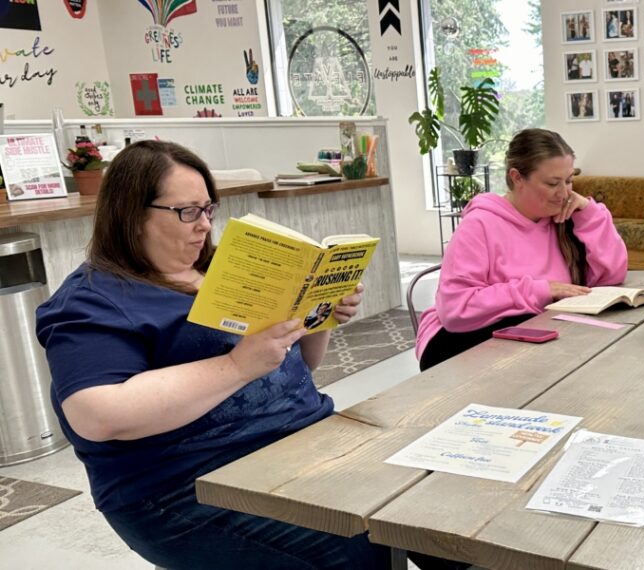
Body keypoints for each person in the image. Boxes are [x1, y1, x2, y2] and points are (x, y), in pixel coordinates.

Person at [35, 141, 460, 570]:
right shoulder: (93, 300)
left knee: (436, 504)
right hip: (184, 486)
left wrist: (318, 316)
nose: (202, 226)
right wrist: (236, 366)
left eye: (207, 209)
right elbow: (96, 414)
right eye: (186, 211)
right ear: (131, 213)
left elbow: (298, 368)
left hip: (299, 443)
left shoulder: (223, 267)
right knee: (355, 546)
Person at [415, 129, 628, 371]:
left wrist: (591, 214)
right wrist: (541, 290)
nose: (565, 193)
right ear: (517, 177)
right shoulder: (480, 225)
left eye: (569, 180)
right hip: (456, 341)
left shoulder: (565, 217)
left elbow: (612, 277)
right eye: (552, 183)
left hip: (534, 332)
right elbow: (456, 310)